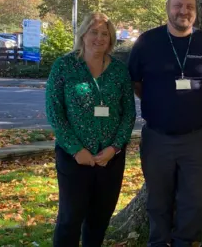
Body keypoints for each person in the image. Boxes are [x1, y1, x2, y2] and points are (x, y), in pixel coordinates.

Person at [128, 0, 202, 247]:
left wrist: (192, 107)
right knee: (158, 199)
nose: (184, 11)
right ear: (168, 8)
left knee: (194, 200)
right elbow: (137, 84)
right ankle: (158, 242)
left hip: (196, 138)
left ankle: (184, 242)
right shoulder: (147, 42)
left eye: (190, 6)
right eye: (178, 6)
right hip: (157, 137)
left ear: (196, 10)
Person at [46, 13, 136, 247]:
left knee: (99, 220)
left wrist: (115, 147)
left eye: (104, 33)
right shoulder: (64, 66)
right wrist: (76, 150)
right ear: (83, 35)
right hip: (74, 157)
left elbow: (129, 114)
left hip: (110, 159)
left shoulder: (119, 71)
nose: (99, 38)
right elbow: (55, 112)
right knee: (70, 219)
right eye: (94, 32)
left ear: (111, 38)